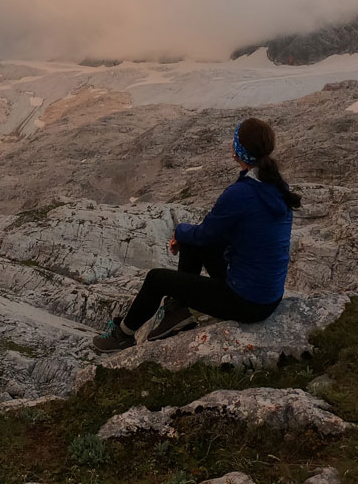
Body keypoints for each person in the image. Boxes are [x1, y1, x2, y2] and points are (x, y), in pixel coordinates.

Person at [92, 117, 301, 353]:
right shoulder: (275, 185)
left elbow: (204, 235)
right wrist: (186, 237)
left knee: (156, 279)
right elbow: (215, 236)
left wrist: (179, 231)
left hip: (247, 302)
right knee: (192, 242)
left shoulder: (241, 193)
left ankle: (122, 335)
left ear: (237, 151)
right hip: (267, 294)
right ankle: (178, 310)